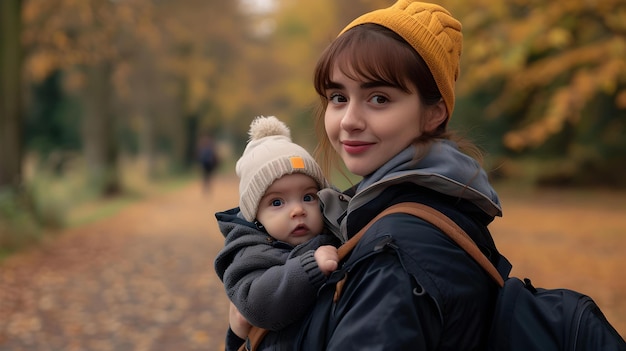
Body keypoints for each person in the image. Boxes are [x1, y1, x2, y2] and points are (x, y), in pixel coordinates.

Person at [244, 1, 506, 350]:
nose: (349, 120)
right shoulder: (389, 212)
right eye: (338, 97)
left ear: (434, 114)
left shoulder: (396, 256)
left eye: (379, 98)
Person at [214, 116, 341, 351]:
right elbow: (255, 303)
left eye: (308, 197)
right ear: (255, 216)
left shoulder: (334, 231)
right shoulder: (250, 251)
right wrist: (310, 267)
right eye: (277, 202)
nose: (297, 210)